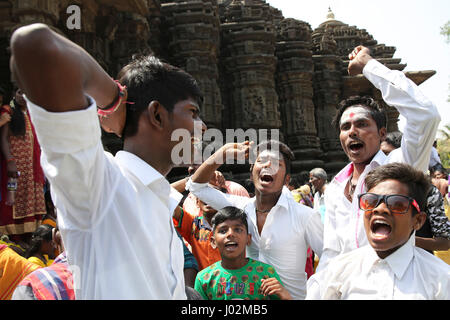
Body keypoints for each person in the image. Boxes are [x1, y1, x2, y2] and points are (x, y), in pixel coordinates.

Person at [10, 23, 207, 299]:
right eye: (193, 113)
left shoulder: (161, 204)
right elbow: (35, 45)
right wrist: (114, 101)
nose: (203, 127)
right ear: (157, 115)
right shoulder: (101, 184)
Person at [319, 45, 441, 271]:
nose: (352, 131)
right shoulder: (336, 187)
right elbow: (331, 253)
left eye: (362, 124)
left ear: (382, 133)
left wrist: (369, 66)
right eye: (346, 127)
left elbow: (426, 116)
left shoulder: (401, 168)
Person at [187, 140, 323, 299]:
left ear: (287, 180)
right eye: (261, 161)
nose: (268, 166)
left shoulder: (305, 216)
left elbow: (331, 259)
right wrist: (222, 154)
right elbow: (195, 186)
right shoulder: (241, 207)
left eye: (276, 164)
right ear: (252, 171)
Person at [306, 163, 450, 299]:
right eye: (370, 201)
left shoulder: (441, 280)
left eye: (396, 204)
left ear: (418, 220)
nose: (379, 209)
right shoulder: (336, 273)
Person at [194, 206, 291, 300]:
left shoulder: (266, 273)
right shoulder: (203, 279)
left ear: (248, 239)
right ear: (213, 242)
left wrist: (285, 296)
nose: (230, 234)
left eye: (238, 230)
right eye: (223, 231)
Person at [0, 88, 46, 243]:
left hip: (32, 167)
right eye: (19, 92)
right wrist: (10, 161)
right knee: (13, 199)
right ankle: (13, 238)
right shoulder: (8, 112)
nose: (22, 96)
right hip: (15, 165)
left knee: (30, 199)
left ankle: (28, 237)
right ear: (14, 94)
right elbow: (4, 139)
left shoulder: (32, 113)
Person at [12, 227, 75, 300]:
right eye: (51, 243)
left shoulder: (46, 258)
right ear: (43, 242)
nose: (53, 246)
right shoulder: (33, 261)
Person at [173, 185, 224, 271]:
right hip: (202, 282)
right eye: (205, 194)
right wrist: (190, 181)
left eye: (214, 194)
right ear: (197, 202)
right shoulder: (192, 223)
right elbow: (165, 195)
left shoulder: (232, 226)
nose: (209, 198)